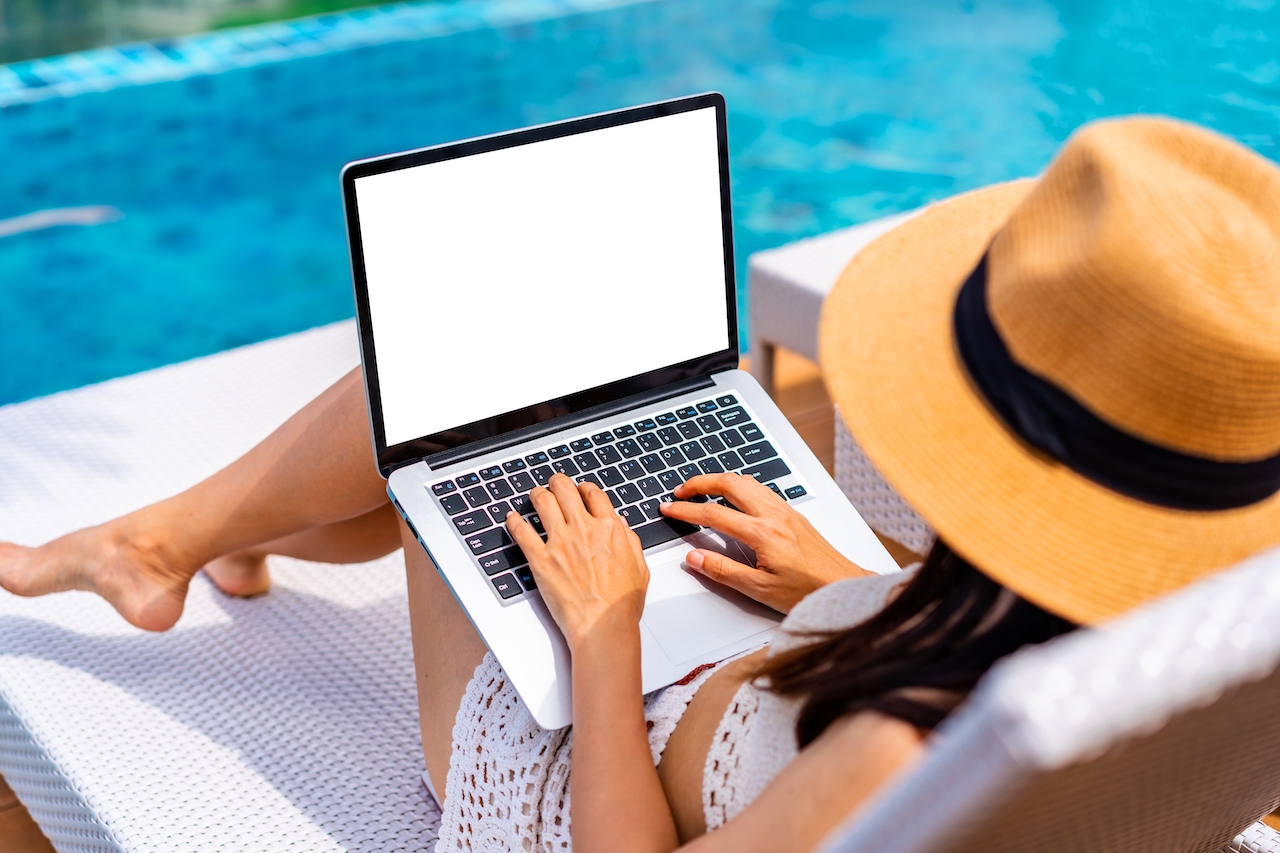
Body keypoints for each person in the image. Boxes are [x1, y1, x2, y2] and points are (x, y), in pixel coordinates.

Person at [3, 115, 1280, 852]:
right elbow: (1014, 639)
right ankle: (200, 548)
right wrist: (850, 589)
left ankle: (161, 549)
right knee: (531, 432)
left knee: (460, 426)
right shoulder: (1189, 653)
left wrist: (605, 638)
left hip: (581, 775)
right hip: (777, 661)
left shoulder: (893, 761)